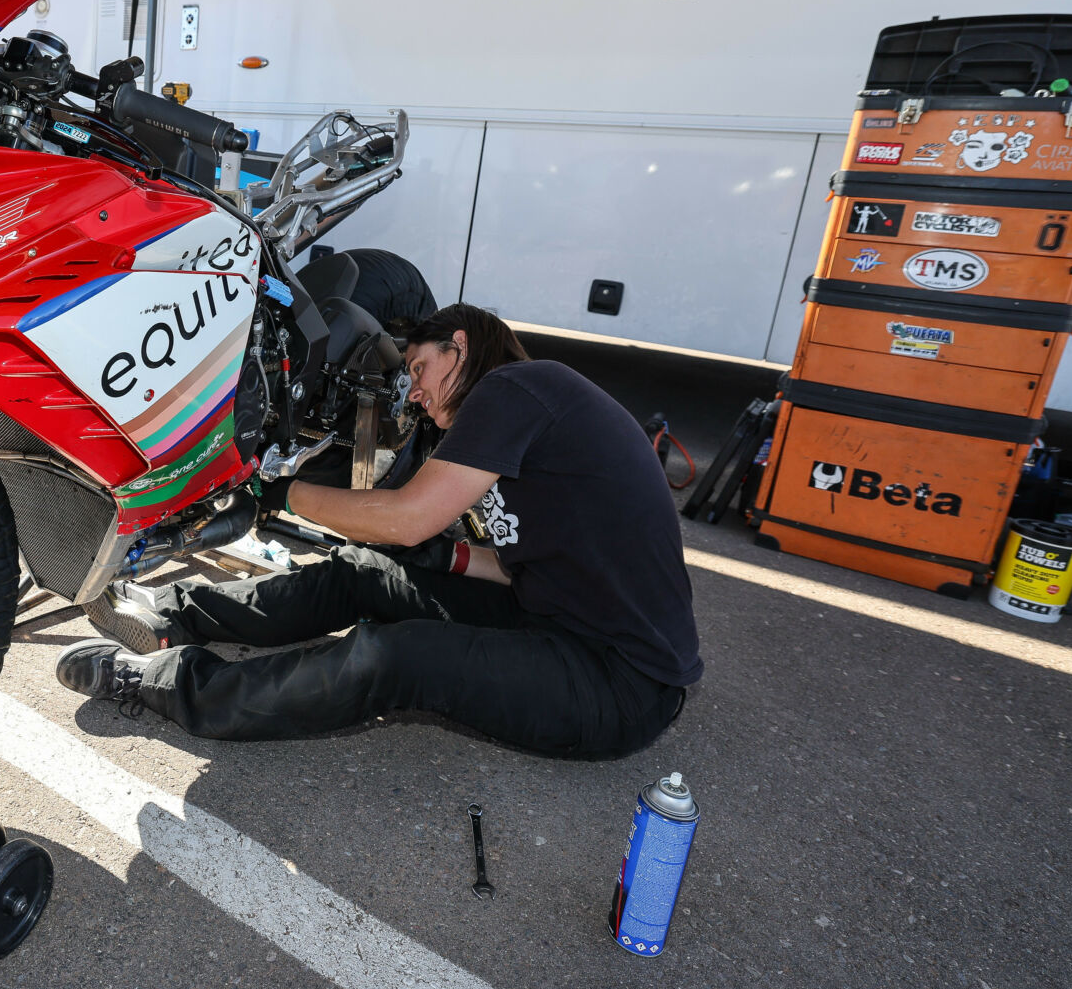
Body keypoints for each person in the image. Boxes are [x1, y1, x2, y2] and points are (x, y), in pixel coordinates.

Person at [54, 303, 702, 759]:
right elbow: (511, 562)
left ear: (462, 347)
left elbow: (408, 515)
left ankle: (171, 682)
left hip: (617, 681)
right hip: (548, 615)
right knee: (365, 575)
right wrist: (437, 560)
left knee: (395, 655)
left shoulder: (516, 390)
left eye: (419, 367)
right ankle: (172, 612)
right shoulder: (526, 415)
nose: (413, 391)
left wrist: (282, 494)